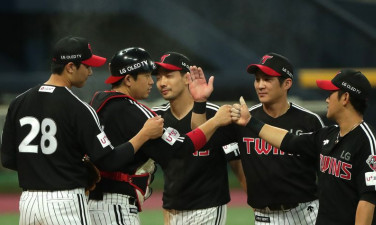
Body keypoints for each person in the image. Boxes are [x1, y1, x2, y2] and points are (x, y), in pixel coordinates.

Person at [0, 36, 164, 225]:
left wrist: (42, 168)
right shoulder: (78, 108)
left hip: (28, 203)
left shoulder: (19, 102)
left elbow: (9, 160)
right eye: (87, 66)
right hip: (65, 202)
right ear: (70, 67)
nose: (91, 72)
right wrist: (143, 135)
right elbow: (108, 160)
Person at [87, 47, 233, 225]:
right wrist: (216, 121)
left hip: (90, 203)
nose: (153, 82)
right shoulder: (140, 114)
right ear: (128, 79)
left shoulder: (94, 105)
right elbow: (182, 148)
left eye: (165, 76)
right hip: (115, 206)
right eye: (148, 76)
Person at [231, 69, 376, 225]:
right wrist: (251, 122)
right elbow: (288, 140)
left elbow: (368, 201)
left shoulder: (368, 142)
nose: (327, 100)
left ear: (345, 98)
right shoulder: (328, 135)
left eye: (330, 94)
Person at [190, 53, 324, 224]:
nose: (260, 85)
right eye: (257, 79)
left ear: (287, 83)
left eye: (267, 79)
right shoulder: (243, 119)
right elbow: (200, 139)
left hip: (306, 214)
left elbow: (326, 173)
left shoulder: (309, 121)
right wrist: (200, 103)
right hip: (264, 217)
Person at [151, 52, 246, 225]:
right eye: (158, 78)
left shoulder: (215, 114)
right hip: (172, 211)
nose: (162, 83)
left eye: (169, 76)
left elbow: (236, 162)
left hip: (207, 208)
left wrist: (256, 203)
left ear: (187, 78)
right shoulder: (157, 117)